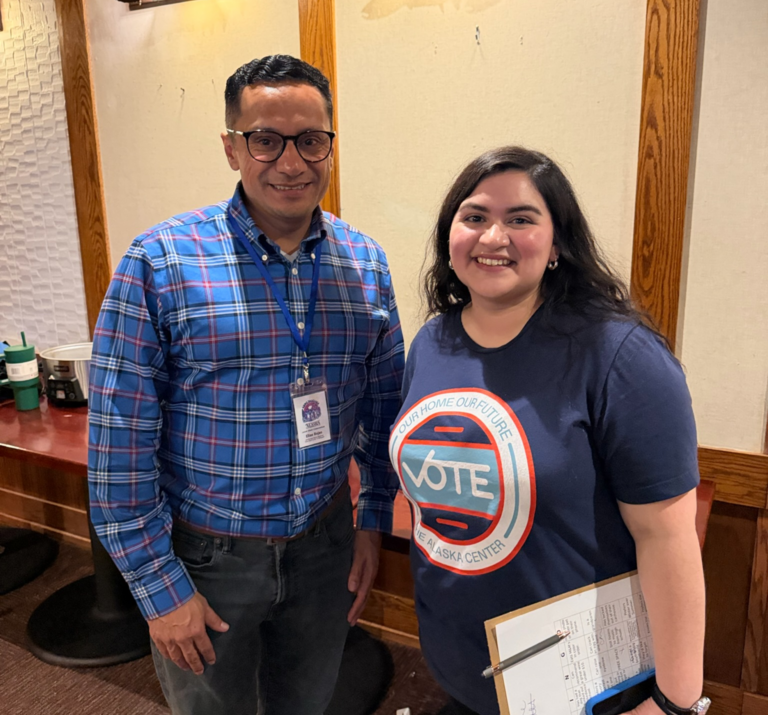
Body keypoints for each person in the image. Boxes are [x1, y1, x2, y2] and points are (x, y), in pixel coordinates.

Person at [88, 54, 405, 715]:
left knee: (308, 702)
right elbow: (118, 444)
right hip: (206, 556)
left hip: (326, 547)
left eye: (311, 140)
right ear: (232, 148)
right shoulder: (160, 262)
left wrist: (371, 522)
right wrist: (158, 586)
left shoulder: (366, 264)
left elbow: (384, 409)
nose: (291, 163)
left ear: (330, 147)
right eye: (265, 139)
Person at [389, 147, 707, 715]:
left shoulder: (618, 354)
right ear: (449, 236)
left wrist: (675, 702)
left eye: (521, 219)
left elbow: (668, 537)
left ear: (558, 243)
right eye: (475, 217)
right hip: (461, 666)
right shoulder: (432, 343)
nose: (493, 237)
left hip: (580, 684)